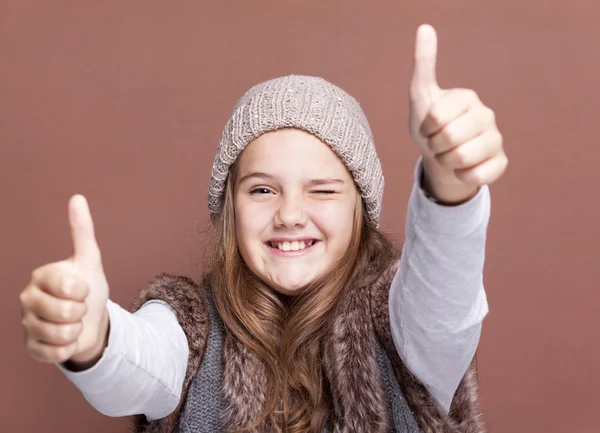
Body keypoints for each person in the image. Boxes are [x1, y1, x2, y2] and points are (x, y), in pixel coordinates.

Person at [19, 24, 507, 433]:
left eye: (322, 190)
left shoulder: (403, 322)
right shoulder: (190, 329)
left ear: (361, 208)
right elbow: (139, 362)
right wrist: (94, 340)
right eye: (262, 190)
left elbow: (444, 294)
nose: (290, 214)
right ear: (229, 207)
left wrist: (449, 185)